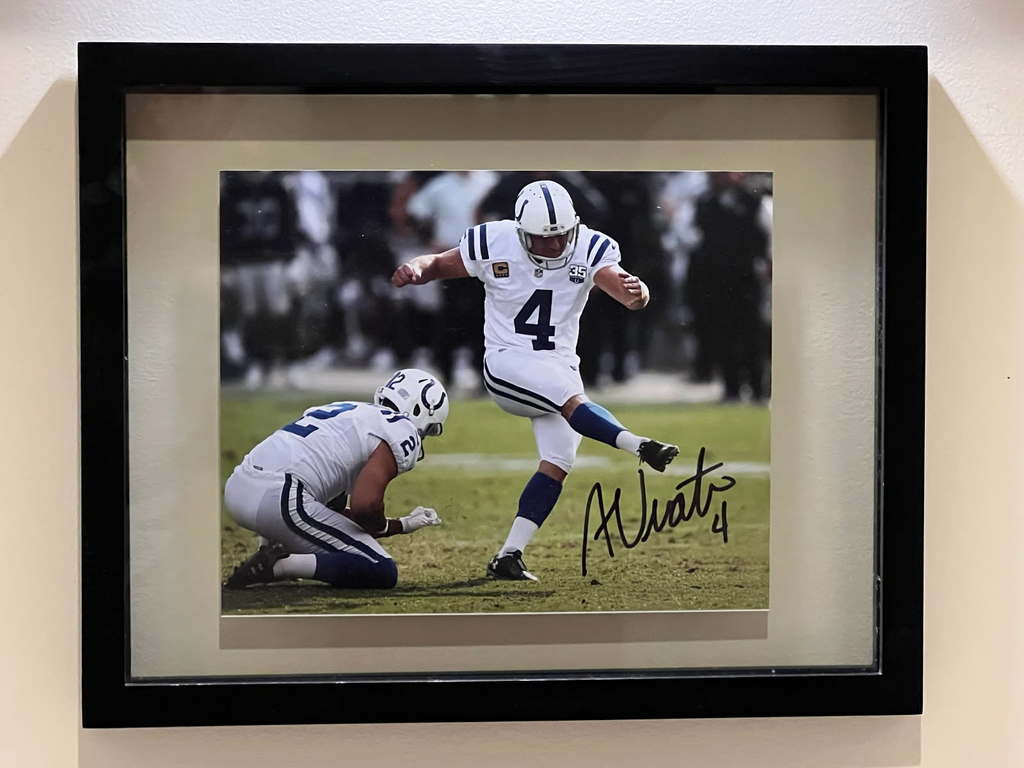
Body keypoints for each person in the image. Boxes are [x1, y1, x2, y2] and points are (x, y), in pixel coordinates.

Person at [391, 180, 680, 582]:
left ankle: (509, 555)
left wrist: (639, 292)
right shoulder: (495, 240)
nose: (554, 246)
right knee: (570, 399)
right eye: (543, 238)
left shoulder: (590, 246)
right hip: (507, 361)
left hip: (559, 366)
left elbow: (624, 290)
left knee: (558, 460)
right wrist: (417, 269)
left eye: (561, 236)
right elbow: (439, 263)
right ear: (521, 230)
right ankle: (640, 445)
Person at [222, 368, 449, 590]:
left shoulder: (347, 411)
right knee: (380, 568)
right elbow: (365, 508)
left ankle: (272, 548)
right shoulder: (400, 429)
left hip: (239, 487)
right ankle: (278, 565)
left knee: (316, 520)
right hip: (278, 498)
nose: (422, 437)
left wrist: (403, 524)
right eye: (428, 430)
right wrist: (392, 526)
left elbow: (333, 513)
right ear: (419, 409)